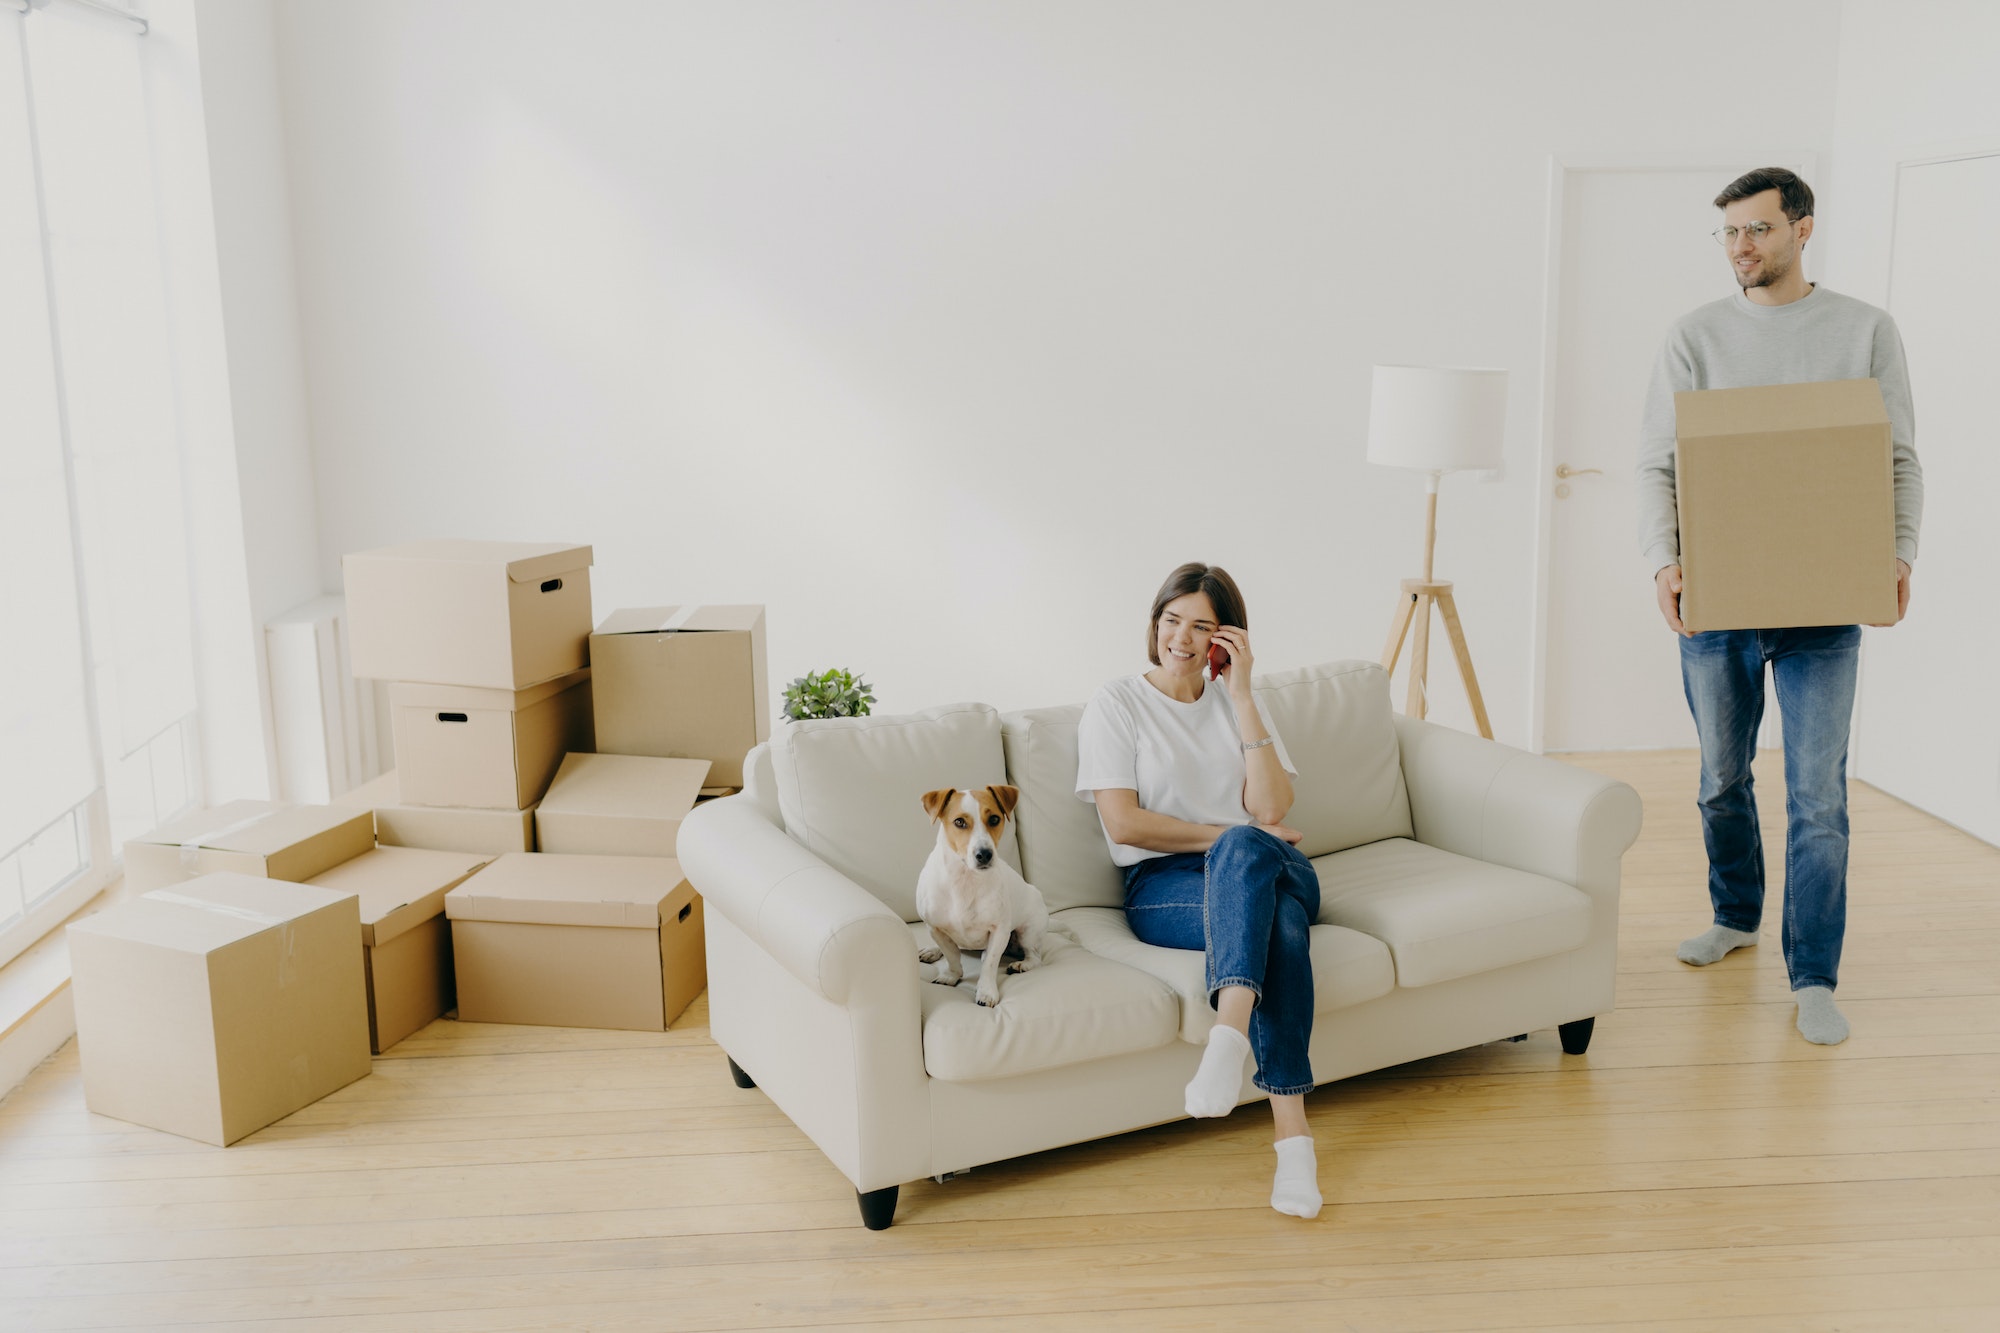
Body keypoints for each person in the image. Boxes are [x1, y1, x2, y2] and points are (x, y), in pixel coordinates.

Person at [1636, 167, 1923, 1046]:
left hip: (1823, 603)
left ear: (1803, 229)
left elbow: (1898, 458)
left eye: (1757, 230)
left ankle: (1814, 974)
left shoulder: (1863, 330)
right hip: (1718, 598)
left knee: (1817, 796)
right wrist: (1665, 561)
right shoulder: (1694, 338)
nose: (1741, 248)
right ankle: (1735, 914)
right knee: (1721, 779)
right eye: (1728, 233)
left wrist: (1898, 556)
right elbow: (1660, 464)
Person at [1074, 561, 1322, 1218]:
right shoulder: (1116, 702)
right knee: (1280, 926)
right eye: (1171, 620)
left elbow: (1269, 808)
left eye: (1201, 626)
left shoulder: (1238, 704)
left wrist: (1241, 696)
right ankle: (1294, 1142)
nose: (1181, 637)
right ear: (1154, 623)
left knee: (1247, 844)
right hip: (1164, 885)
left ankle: (1226, 1039)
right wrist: (1233, 835)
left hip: (1270, 868)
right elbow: (1123, 822)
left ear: (1225, 637)